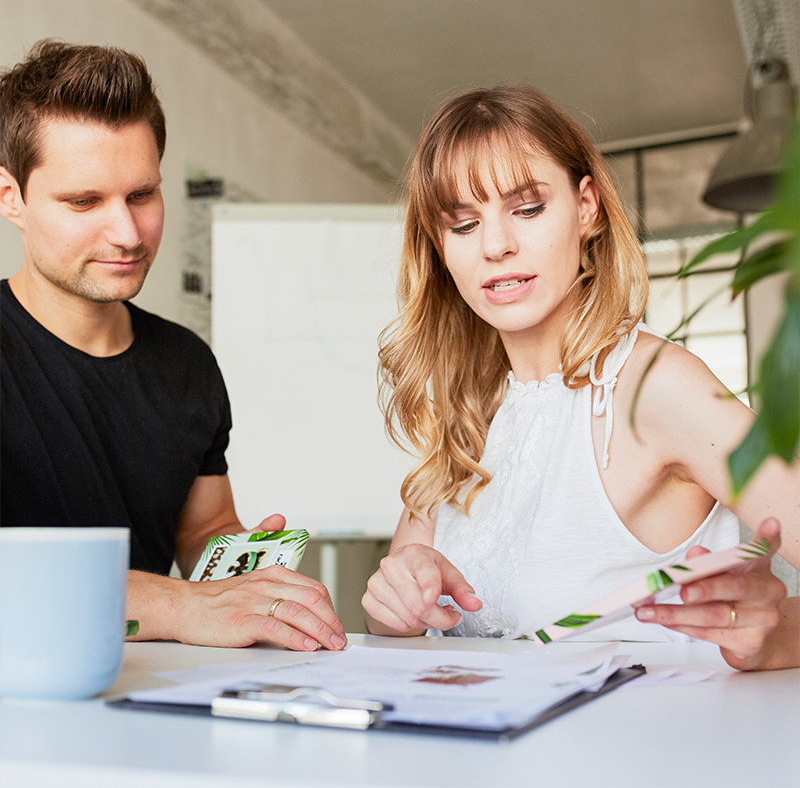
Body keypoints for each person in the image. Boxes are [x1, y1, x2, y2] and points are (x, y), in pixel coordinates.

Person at [361, 85, 799, 671]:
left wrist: (775, 639)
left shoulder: (658, 387)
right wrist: (392, 609)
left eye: (528, 208)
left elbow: (773, 623)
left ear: (587, 207)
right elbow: (391, 633)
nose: (495, 245)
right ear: (440, 249)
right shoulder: (467, 416)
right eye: (462, 224)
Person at [0, 39, 346, 653]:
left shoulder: (186, 361)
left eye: (141, 195)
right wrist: (178, 603)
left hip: (155, 696)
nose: (127, 233)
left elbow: (204, 528)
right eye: (84, 201)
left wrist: (244, 570)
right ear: (11, 198)